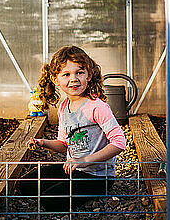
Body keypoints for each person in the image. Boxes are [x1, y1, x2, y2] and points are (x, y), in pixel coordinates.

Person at [19, 45, 127, 213]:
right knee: (26, 185)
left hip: (97, 176)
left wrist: (84, 161)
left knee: (50, 200)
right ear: (56, 79)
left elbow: (119, 143)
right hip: (73, 168)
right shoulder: (64, 107)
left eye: (79, 72)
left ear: (89, 75)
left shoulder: (97, 107)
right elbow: (63, 145)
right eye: (66, 74)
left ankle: (95, 193)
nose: (74, 79)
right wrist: (42, 142)